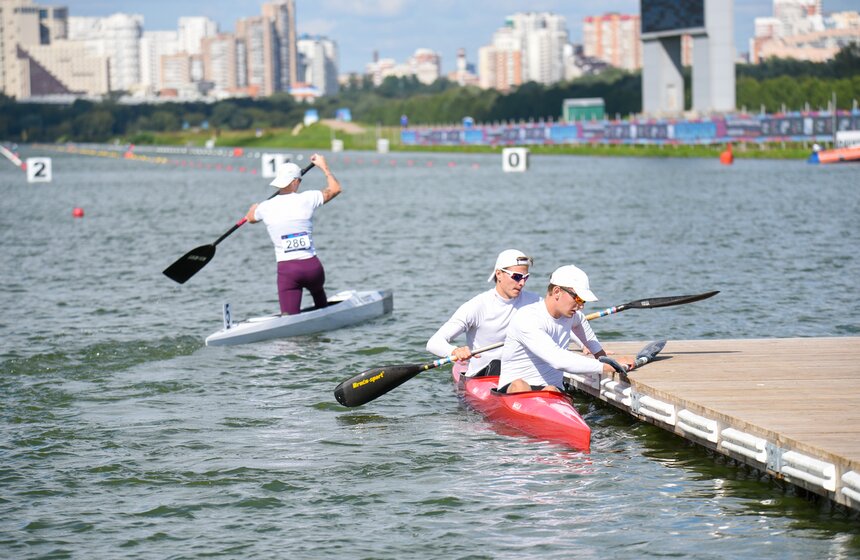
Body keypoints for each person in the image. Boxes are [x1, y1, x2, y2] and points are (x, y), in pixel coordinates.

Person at [498, 265, 635, 393]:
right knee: (520, 385)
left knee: (551, 389)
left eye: (583, 301)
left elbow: (581, 323)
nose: (581, 306)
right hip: (514, 392)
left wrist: (602, 357)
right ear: (557, 291)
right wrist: (605, 367)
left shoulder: (572, 315)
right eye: (578, 298)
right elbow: (557, 359)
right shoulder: (527, 318)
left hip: (551, 392)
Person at [245, 153, 341, 315]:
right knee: (318, 293)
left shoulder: (265, 207)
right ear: (296, 182)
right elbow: (335, 189)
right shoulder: (308, 198)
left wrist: (253, 209)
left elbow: (250, 218)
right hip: (312, 268)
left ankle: (292, 322)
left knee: (289, 317)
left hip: (287, 271)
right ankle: (324, 310)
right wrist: (324, 167)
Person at [426, 249, 541, 376]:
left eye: (526, 277)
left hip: (522, 374)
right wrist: (455, 351)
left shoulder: (535, 302)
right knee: (497, 366)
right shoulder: (478, 306)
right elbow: (434, 343)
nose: (522, 283)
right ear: (499, 274)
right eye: (517, 277)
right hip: (484, 376)